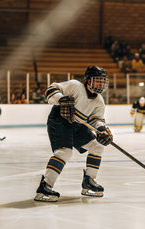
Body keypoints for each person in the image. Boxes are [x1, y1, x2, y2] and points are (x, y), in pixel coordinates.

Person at [34, 66, 113, 202]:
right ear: (88, 81)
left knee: (97, 147)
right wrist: (61, 100)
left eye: (103, 81)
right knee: (64, 152)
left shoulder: (99, 101)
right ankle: (45, 186)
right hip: (60, 120)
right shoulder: (75, 86)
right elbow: (52, 88)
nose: (101, 84)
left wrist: (102, 130)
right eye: (98, 81)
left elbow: (97, 120)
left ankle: (89, 181)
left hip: (78, 125)